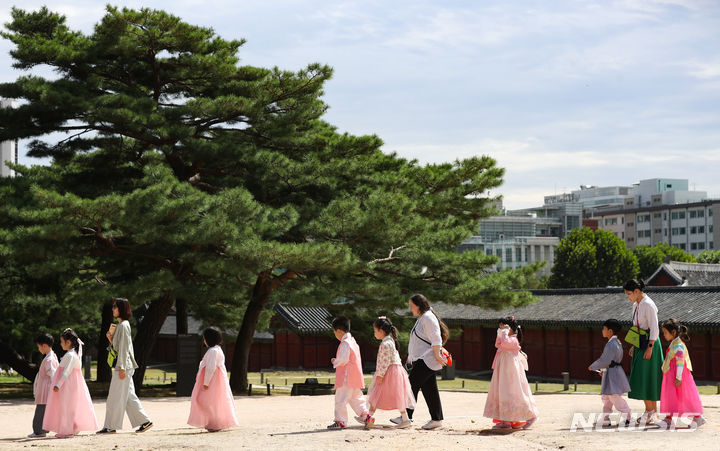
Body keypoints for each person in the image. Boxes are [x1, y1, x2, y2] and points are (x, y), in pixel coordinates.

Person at [98, 298, 153, 434]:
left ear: (121, 309)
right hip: (125, 366)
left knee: (114, 398)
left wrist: (121, 367)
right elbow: (121, 347)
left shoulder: (123, 326)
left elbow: (123, 348)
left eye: (115, 307)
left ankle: (110, 426)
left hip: (123, 367)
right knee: (129, 397)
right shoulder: (123, 325)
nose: (113, 309)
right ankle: (145, 421)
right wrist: (111, 339)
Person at [393, 294, 448, 430]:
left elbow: (436, 338)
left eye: (412, 306)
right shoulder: (423, 317)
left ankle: (406, 417)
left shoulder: (428, 317)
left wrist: (437, 354)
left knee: (411, 386)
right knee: (430, 390)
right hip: (424, 359)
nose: (410, 309)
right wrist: (410, 357)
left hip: (427, 359)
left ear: (419, 305)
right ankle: (436, 419)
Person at [483, 316, 538, 429]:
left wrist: (504, 332)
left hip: (511, 368)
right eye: (500, 327)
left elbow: (504, 343)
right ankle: (505, 420)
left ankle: (530, 416)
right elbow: (498, 344)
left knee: (513, 391)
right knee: (502, 391)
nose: (501, 328)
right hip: (503, 367)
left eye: (503, 326)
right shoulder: (507, 337)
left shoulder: (513, 339)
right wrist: (501, 333)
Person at [42, 328, 98, 438]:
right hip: (68, 385)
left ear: (68, 342)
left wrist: (58, 384)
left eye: (62, 342)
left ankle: (67, 430)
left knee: (66, 407)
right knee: (68, 407)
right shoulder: (71, 354)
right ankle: (73, 427)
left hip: (68, 386)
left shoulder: (71, 355)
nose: (61, 344)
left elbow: (66, 372)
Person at [623, 279, 663, 424]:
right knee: (642, 376)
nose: (628, 296)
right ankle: (651, 411)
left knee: (648, 376)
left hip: (650, 343)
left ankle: (651, 411)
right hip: (641, 342)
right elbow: (637, 327)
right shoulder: (636, 304)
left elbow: (654, 327)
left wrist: (650, 347)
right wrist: (634, 344)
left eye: (629, 294)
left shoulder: (648, 304)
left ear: (637, 291)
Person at [364, 316, 415, 430]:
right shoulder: (389, 341)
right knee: (395, 395)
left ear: (381, 331)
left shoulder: (385, 344)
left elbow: (385, 361)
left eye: (375, 331)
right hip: (395, 371)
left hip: (389, 372)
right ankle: (405, 419)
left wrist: (380, 375)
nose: (374, 333)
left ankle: (368, 416)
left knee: (377, 394)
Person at [188, 327, 239, 431]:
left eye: (205, 338)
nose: (204, 341)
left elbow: (210, 368)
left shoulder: (212, 351)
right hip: (217, 379)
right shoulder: (217, 349)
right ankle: (214, 421)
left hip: (213, 381)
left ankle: (215, 422)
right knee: (214, 401)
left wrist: (206, 382)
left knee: (202, 400)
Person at [659, 318, 706, 428]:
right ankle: (669, 418)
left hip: (678, 374)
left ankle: (698, 417)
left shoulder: (678, 345)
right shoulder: (674, 343)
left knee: (685, 395)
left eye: (665, 332)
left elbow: (680, 362)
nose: (664, 335)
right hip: (671, 373)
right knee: (670, 395)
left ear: (673, 332)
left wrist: (679, 377)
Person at [327, 315, 371, 430]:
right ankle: (367, 416)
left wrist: (334, 361)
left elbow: (343, 360)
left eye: (334, 332)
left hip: (346, 378)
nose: (335, 334)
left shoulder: (345, 343)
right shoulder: (353, 341)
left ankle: (340, 421)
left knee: (340, 399)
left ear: (339, 331)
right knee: (356, 399)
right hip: (355, 377)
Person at [588, 319, 631, 427]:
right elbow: (609, 361)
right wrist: (603, 369)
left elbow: (605, 360)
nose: (602, 331)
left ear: (610, 331)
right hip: (612, 371)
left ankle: (628, 416)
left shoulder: (611, 344)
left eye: (604, 329)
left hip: (613, 373)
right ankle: (605, 418)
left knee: (613, 396)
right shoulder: (616, 342)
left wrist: (593, 366)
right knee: (606, 397)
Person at [28, 333, 59, 438]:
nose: (39, 349)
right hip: (45, 389)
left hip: (45, 390)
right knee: (43, 411)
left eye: (39, 346)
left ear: (44, 345)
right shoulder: (51, 357)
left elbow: (53, 374)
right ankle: (42, 430)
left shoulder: (49, 359)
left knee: (40, 412)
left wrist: (55, 386)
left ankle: (39, 431)